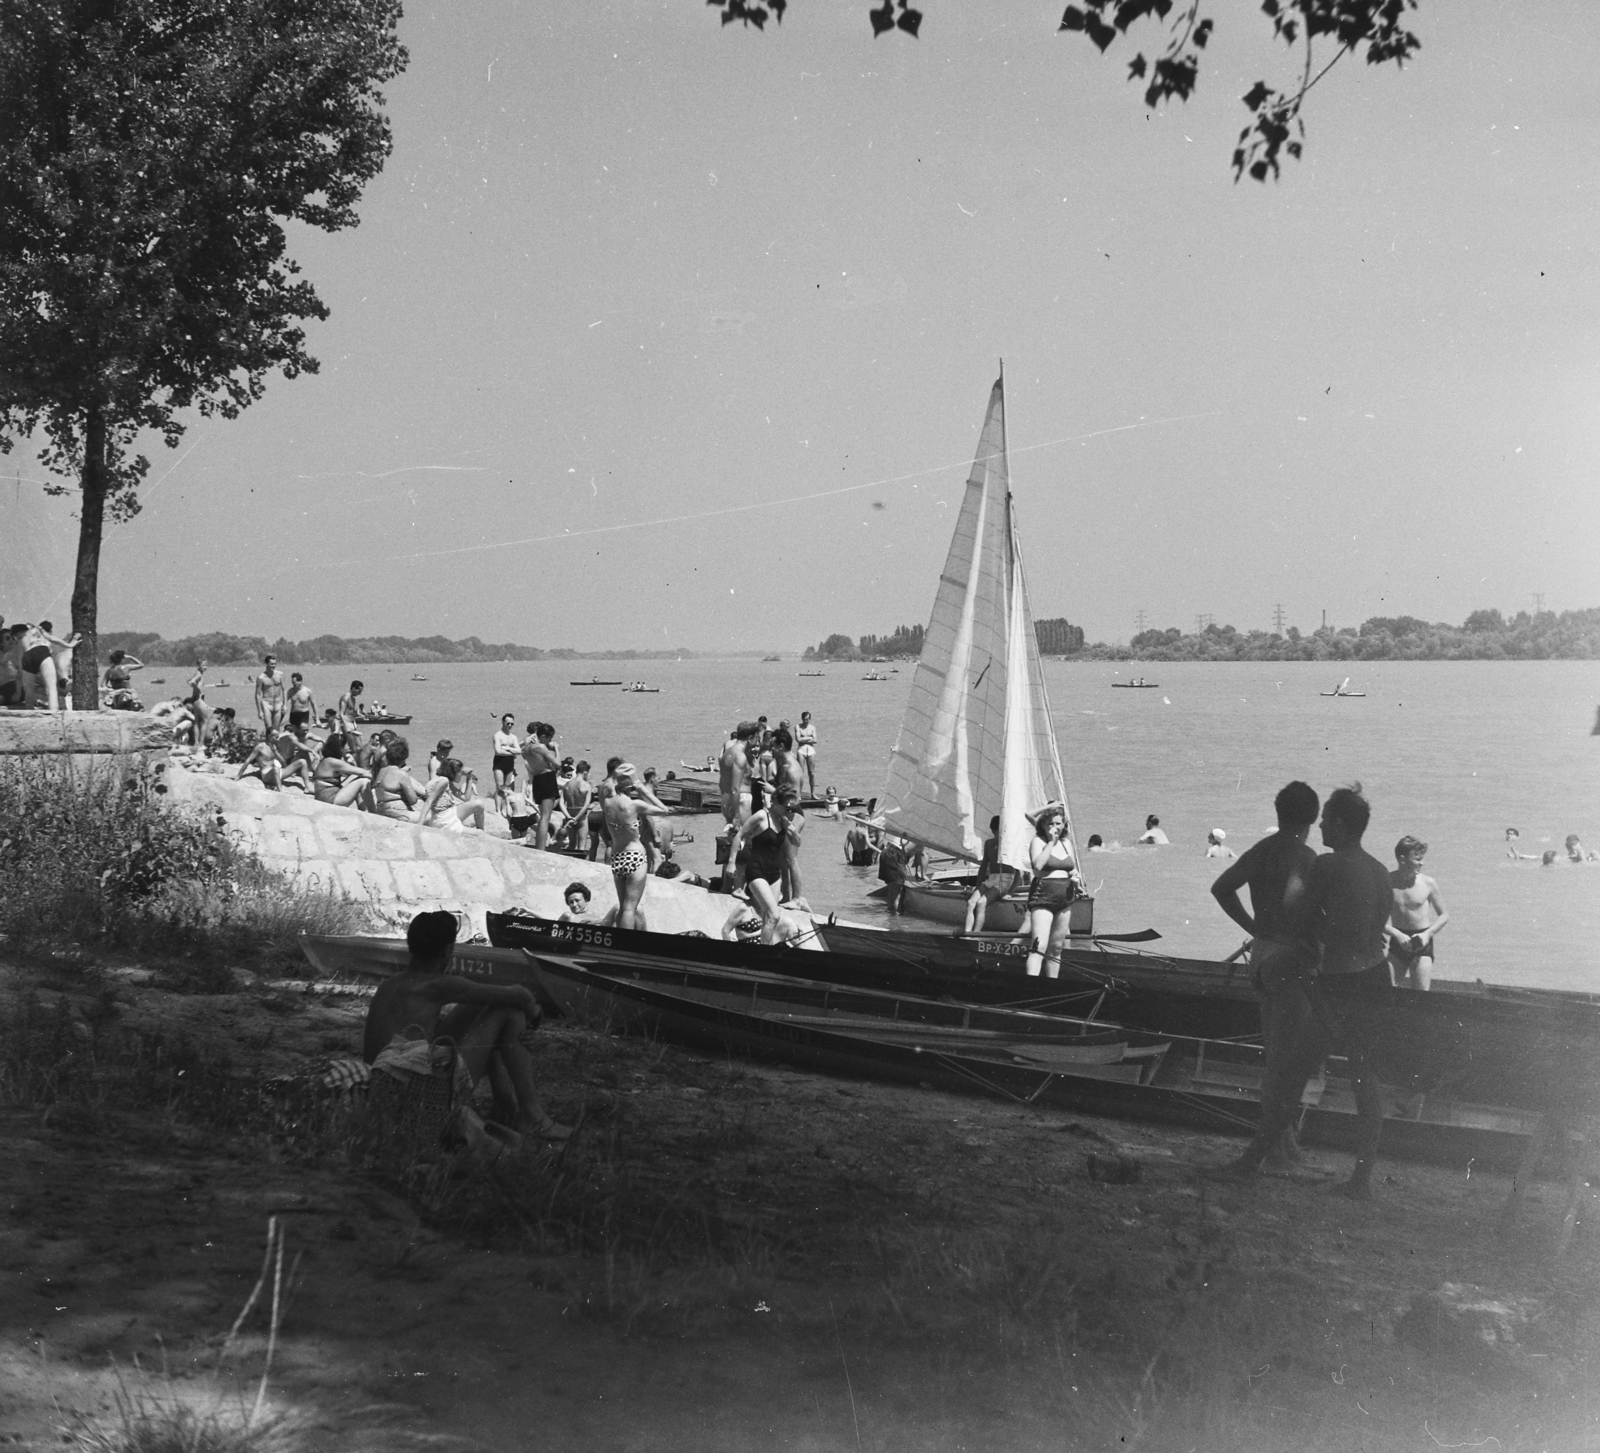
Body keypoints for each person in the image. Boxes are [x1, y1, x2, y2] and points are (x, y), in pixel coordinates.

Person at [363, 910, 570, 1141]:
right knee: (508, 1011)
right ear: (448, 950)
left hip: (384, 1091)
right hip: (421, 1096)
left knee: (482, 1007)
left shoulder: (388, 986)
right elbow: (519, 995)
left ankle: (505, 1106)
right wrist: (533, 1017)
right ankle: (532, 1115)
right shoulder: (437, 984)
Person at [1282, 785, 1396, 1199]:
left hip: (1341, 984)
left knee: (1294, 1071)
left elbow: (1297, 916)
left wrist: (1297, 869)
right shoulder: (1381, 871)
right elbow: (1373, 929)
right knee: (1365, 1080)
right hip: (1375, 978)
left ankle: (1255, 1157)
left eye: (1327, 818)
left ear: (1343, 825)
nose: (1321, 824)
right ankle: (1362, 1180)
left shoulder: (1327, 865)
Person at [1208, 781, 1322, 1176]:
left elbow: (1221, 888)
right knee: (1286, 1064)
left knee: (1277, 1056)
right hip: (1289, 961)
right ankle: (1278, 1155)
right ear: (1313, 819)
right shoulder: (1305, 856)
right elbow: (1295, 904)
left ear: (1278, 813)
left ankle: (1285, 1149)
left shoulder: (1262, 850)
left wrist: (1254, 927)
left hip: (1261, 955)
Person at [724, 785, 805, 944]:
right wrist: (732, 862)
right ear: (776, 802)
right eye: (786, 806)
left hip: (774, 873)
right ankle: (764, 953)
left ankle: (764, 946)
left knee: (767, 916)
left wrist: (791, 829)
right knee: (774, 915)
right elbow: (739, 835)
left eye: (790, 807)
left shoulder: (783, 821)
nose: (788, 810)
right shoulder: (762, 816)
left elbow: (797, 842)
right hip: (756, 869)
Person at [602, 763, 675, 930]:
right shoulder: (634, 805)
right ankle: (626, 943)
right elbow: (664, 810)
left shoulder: (607, 802)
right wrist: (644, 791)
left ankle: (620, 941)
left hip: (617, 856)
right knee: (630, 907)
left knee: (623, 905)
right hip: (634, 855)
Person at [1023, 803, 1085, 978]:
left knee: (1056, 948)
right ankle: (1032, 982)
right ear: (1043, 824)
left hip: (1064, 898)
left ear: (1064, 824)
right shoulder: (1038, 841)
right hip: (1043, 896)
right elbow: (1038, 865)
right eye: (1050, 824)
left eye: (1058, 823)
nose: (1054, 827)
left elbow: (1071, 868)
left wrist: (1076, 880)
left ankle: (1052, 982)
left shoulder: (1066, 843)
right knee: (1039, 946)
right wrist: (1050, 842)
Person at [1385, 836, 1449, 990]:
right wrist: (1396, 934)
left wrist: (1427, 934)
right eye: (1417, 859)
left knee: (1421, 995)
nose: (1422, 863)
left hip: (1422, 941)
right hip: (1398, 939)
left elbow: (1444, 915)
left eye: (1422, 859)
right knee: (1387, 989)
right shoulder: (1387, 881)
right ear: (1402, 859)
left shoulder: (1428, 883)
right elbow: (1374, 916)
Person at [965, 815, 1020, 934]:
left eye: (999, 832)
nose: (997, 835)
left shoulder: (1011, 845)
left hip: (1005, 880)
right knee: (971, 902)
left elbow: (1018, 872)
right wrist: (978, 886)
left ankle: (975, 934)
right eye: (995, 832)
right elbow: (984, 866)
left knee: (981, 902)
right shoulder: (989, 844)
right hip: (991, 879)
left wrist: (1010, 893)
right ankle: (967, 933)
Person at [419, 758, 490, 832]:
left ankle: (481, 831)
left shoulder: (446, 782)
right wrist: (419, 825)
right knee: (479, 833)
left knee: (479, 804)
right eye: (460, 772)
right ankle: (481, 833)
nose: (462, 775)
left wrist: (469, 778)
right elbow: (429, 801)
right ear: (454, 772)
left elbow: (466, 798)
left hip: (448, 814)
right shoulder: (444, 781)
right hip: (445, 821)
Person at [522, 721, 562, 851]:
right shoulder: (541, 748)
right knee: (546, 817)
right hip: (547, 778)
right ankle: (541, 848)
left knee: (542, 815)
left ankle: (539, 846)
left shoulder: (527, 748)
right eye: (549, 737)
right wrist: (556, 749)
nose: (550, 740)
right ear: (543, 736)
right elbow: (557, 764)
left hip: (537, 780)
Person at [368, 737, 422, 821]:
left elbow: (383, 790)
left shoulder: (382, 771)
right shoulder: (402, 775)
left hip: (381, 809)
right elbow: (413, 800)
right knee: (429, 817)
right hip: (397, 812)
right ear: (403, 758)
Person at [312, 733, 371, 806]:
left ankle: (364, 812)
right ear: (340, 748)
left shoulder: (326, 760)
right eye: (347, 746)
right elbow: (363, 772)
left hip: (325, 796)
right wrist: (376, 782)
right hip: (329, 799)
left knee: (356, 778)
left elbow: (353, 773)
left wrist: (352, 763)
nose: (348, 748)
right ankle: (373, 813)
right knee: (364, 781)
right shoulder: (334, 762)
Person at [719, 722, 759, 830]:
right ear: (750, 738)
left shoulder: (727, 753)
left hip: (727, 798)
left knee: (733, 839)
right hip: (741, 800)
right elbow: (735, 788)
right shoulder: (740, 756)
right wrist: (736, 815)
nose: (757, 743)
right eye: (756, 739)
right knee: (745, 838)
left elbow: (721, 781)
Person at [876, 833, 924, 913]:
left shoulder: (915, 832)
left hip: (887, 851)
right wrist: (922, 875)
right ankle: (896, 920)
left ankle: (892, 918)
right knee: (897, 893)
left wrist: (917, 873)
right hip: (896, 854)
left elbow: (918, 856)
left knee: (893, 891)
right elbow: (924, 855)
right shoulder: (925, 838)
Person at [560, 761, 594, 853]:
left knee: (571, 844)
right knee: (582, 845)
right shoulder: (586, 785)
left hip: (570, 813)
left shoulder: (567, 785)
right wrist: (577, 818)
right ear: (585, 772)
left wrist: (568, 816)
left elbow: (561, 803)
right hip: (581, 816)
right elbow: (586, 805)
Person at [491, 714, 520, 817]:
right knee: (500, 787)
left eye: (512, 723)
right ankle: (498, 810)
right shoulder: (498, 735)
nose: (510, 725)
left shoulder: (513, 737)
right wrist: (512, 752)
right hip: (499, 762)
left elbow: (519, 750)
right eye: (508, 723)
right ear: (503, 722)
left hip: (510, 763)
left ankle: (505, 809)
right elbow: (498, 751)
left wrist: (507, 748)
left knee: (507, 788)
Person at [254, 654, 287, 735]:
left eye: (275, 664)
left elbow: (284, 689)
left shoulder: (280, 675)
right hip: (267, 704)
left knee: (277, 729)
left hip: (278, 703)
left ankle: (276, 747)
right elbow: (258, 694)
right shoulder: (261, 678)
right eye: (271, 664)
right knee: (269, 729)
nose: (274, 666)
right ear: (266, 664)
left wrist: (285, 704)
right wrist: (259, 711)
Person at [795, 711, 818, 796]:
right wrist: (809, 738)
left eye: (807, 719)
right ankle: (799, 793)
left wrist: (804, 738)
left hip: (810, 749)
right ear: (802, 719)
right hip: (801, 749)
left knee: (811, 772)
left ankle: (813, 793)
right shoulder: (798, 726)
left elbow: (815, 740)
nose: (806, 721)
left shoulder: (812, 728)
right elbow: (798, 739)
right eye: (805, 719)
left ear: (810, 719)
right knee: (801, 772)